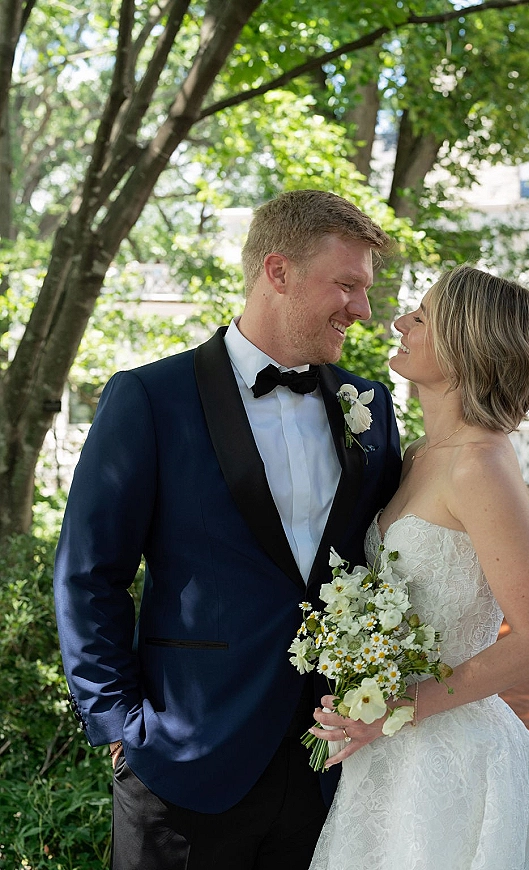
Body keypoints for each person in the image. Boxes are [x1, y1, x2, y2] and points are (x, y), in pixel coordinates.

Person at [53, 189, 402, 869]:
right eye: (347, 284)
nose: (362, 309)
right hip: (183, 761)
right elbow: (89, 570)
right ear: (278, 272)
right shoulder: (150, 398)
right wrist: (120, 724)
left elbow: (383, 561)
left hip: (327, 766)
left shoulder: (371, 407)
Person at [308, 264, 529, 869]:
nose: (399, 322)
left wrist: (397, 712)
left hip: (449, 758)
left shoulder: (479, 466)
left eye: (422, 316)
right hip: (385, 750)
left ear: (465, 345)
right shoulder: (418, 454)